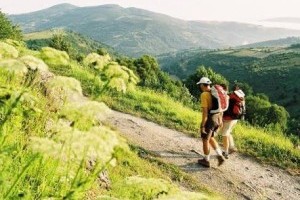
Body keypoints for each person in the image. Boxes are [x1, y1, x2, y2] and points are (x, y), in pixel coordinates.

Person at [197, 77, 225, 167]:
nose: (200, 86)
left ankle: (206, 160)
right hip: (217, 118)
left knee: (205, 139)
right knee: (211, 138)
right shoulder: (215, 93)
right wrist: (220, 120)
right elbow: (220, 108)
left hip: (210, 119)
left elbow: (205, 113)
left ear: (202, 85)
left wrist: (202, 126)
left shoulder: (204, 95)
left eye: (200, 85)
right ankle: (220, 156)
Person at [219, 84, 245, 159]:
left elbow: (224, 107)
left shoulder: (230, 96)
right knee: (228, 132)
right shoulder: (241, 97)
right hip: (236, 118)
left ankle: (226, 151)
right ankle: (232, 147)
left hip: (229, 118)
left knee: (224, 134)